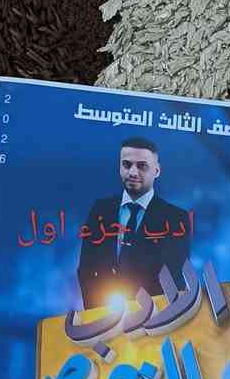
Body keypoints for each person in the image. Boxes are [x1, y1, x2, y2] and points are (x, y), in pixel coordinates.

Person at [77, 132, 191, 310]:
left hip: (152, 318)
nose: (133, 172)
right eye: (127, 164)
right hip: (103, 317)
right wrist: (97, 314)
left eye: (142, 166)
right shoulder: (100, 209)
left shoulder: (176, 218)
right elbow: (86, 268)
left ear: (157, 171)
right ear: (119, 167)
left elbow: (175, 279)